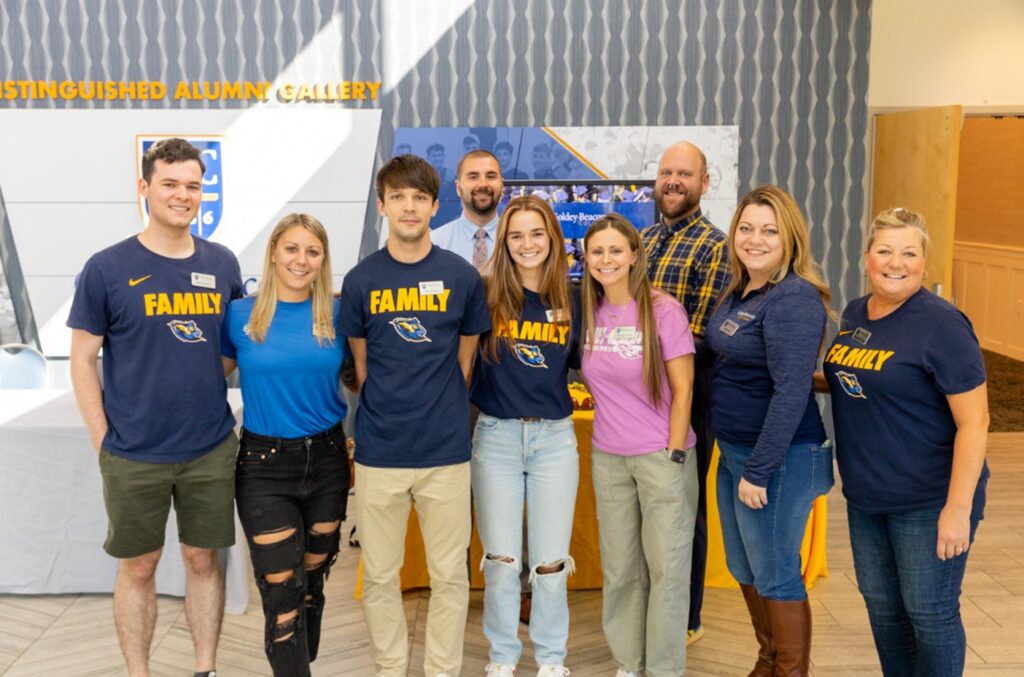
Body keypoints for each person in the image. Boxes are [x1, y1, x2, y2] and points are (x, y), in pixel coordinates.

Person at [67, 137, 242, 677]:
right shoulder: (107, 268)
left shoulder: (222, 264)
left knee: (202, 561)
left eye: (193, 185)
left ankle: (205, 669)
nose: (182, 195)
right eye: (170, 184)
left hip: (209, 447)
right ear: (144, 187)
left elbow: (230, 350)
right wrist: (102, 439)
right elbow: (82, 358)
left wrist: (189, 378)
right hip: (132, 451)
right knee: (139, 567)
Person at [338, 154, 491, 677]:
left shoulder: (461, 277)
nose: (409, 207)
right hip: (380, 451)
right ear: (382, 206)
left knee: (450, 576)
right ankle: (390, 668)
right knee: (381, 575)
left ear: (434, 206)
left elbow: (465, 364)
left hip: (445, 452)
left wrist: (437, 406)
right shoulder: (361, 280)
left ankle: (442, 671)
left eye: (419, 198)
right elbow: (361, 368)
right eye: (398, 197)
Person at [822, 207, 989, 677]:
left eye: (909, 253)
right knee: (883, 608)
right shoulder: (856, 312)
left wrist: (957, 509)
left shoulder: (943, 325)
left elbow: (975, 422)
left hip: (928, 498)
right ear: (866, 257)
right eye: (885, 251)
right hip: (867, 494)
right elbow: (857, 377)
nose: (896, 263)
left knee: (930, 612)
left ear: (923, 261)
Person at [706, 185, 835, 676]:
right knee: (745, 566)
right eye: (746, 228)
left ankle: (791, 670)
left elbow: (791, 391)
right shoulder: (743, 287)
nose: (754, 239)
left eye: (769, 230)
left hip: (779, 460)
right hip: (735, 451)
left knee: (777, 572)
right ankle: (769, 659)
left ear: (790, 239)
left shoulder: (793, 298)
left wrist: (758, 470)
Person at [221, 214, 351, 676]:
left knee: (312, 583)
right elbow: (203, 380)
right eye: (292, 248)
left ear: (323, 259)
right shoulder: (240, 315)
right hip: (264, 467)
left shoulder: (338, 314)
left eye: (312, 251)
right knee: (282, 595)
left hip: (328, 462)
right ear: (274, 252)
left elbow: (366, 376)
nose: (301, 259)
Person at [580, 214, 698, 677]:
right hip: (609, 458)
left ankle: (664, 670)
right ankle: (629, 664)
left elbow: (684, 389)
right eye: (597, 251)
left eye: (615, 250)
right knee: (621, 570)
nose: (606, 259)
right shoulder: (590, 311)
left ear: (633, 255)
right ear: (586, 259)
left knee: (667, 570)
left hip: (660, 457)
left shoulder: (662, 310)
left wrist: (674, 453)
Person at [470, 196, 581, 677]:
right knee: (501, 561)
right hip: (496, 438)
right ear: (504, 242)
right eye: (516, 235)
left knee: (551, 563)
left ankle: (551, 659)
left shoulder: (574, 299)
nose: (527, 244)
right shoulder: (484, 294)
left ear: (552, 238)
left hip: (554, 441)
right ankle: (502, 656)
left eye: (537, 233)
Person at [640, 140, 730, 645]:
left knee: (681, 507)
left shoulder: (715, 247)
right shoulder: (644, 239)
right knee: (648, 506)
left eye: (685, 174)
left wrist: (629, 351)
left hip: (688, 399)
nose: (673, 181)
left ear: (704, 183)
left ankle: (685, 617)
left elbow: (699, 339)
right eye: (666, 173)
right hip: (638, 399)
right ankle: (653, 604)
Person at [432, 150, 505, 268]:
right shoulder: (435, 243)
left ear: (502, 186)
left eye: (491, 176)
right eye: (473, 177)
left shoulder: (522, 243)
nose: (483, 184)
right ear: (458, 188)